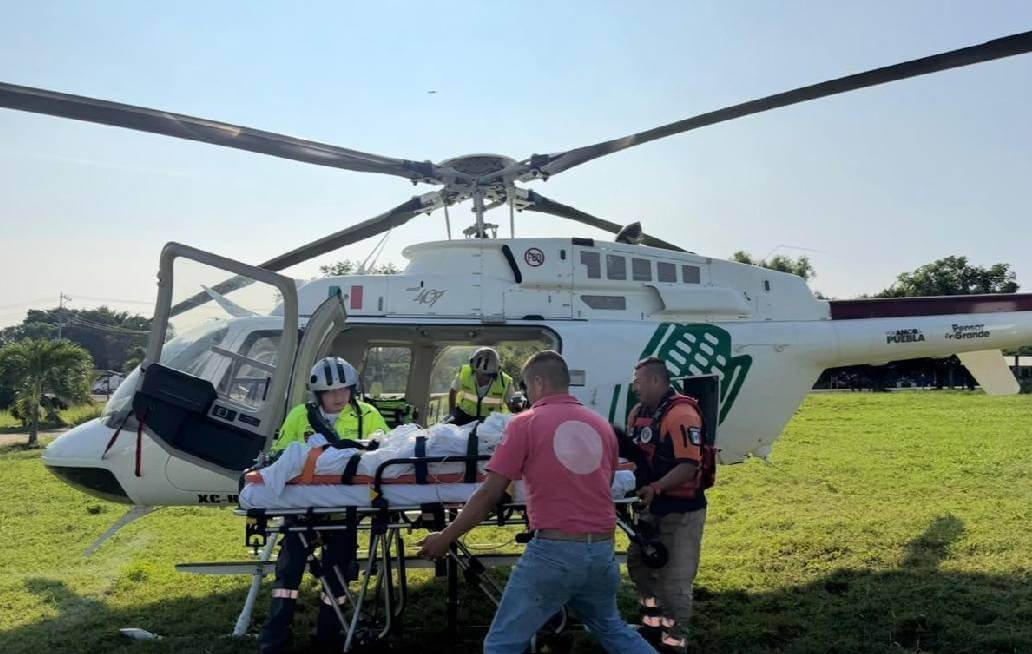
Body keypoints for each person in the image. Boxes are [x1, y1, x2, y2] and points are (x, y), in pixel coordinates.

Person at [419, 350, 655, 654]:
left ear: (539, 383)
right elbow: (603, 485)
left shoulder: (525, 423)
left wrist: (446, 537)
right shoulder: (600, 425)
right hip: (601, 550)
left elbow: (490, 494)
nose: (527, 396)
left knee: (502, 644)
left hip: (554, 552)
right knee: (613, 630)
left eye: (528, 389)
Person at [260, 356, 388, 654]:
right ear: (318, 395)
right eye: (331, 392)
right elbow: (281, 457)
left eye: (344, 389)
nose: (339, 396)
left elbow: (385, 452)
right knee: (288, 572)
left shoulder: (368, 415)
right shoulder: (299, 416)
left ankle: (329, 636)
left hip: (346, 509)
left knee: (340, 571)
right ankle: (275, 640)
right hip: (302, 509)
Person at [624, 357, 713, 654]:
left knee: (675, 581)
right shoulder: (639, 413)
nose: (635, 388)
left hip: (682, 510)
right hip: (650, 508)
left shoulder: (682, 414)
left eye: (638, 382)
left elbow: (688, 466)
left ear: (655, 381)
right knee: (639, 566)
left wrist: (656, 487)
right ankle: (651, 627)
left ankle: (674, 642)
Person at [447, 347, 515, 425]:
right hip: (464, 415)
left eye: (487, 376)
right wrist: (452, 412)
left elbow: (511, 404)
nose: (482, 379)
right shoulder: (464, 373)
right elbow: (453, 391)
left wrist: (519, 416)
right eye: (479, 374)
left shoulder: (506, 382)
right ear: (473, 370)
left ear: (496, 372)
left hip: (490, 420)